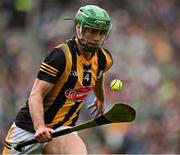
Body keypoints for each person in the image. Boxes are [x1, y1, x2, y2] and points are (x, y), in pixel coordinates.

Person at [3, 4, 113, 154]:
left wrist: (100, 98)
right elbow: (36, 95)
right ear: (78, 28)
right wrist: (40, 126)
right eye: (92, 31)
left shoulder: (103, 59)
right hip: (28, 131)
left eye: (101, 33)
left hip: (62, 129)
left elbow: (99, 74)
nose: (96, 38)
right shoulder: (61, 57)